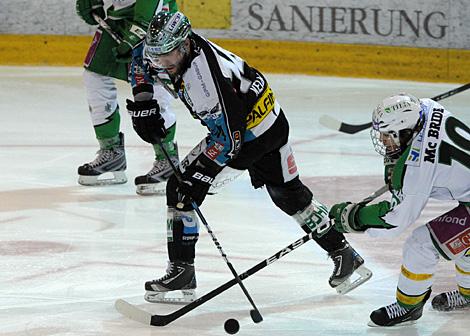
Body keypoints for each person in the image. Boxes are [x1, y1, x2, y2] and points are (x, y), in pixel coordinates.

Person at [126, 11, 372, 303]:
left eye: (167, 57)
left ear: (184, 45)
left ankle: (182, 272)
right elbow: (140, 57)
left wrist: (202, 173)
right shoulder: (173, 49)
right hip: (273, 120)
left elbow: (230, 140)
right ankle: (344, 253)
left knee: (181, 188)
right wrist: (144, 99)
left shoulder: (205, 80)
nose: (160, 64)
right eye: (158, 56)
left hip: (247, 135)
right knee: (288, 194)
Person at [329, 93, 470, 327]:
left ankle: (409, 307)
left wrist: (354, 218)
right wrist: (397, 167)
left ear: (404, 131)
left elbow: (396, 218)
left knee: (421, 245)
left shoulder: (420, 167)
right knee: (464, 244)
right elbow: (407, 155)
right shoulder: (427, 107)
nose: (383, 140)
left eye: (387, 135)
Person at [75, 0, 179, 195]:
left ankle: (167, 159)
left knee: (153, 89)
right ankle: (111, 152)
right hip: (120, 15)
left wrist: (134, 38)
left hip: (156, 17)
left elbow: (149, 10)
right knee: (94, 74)